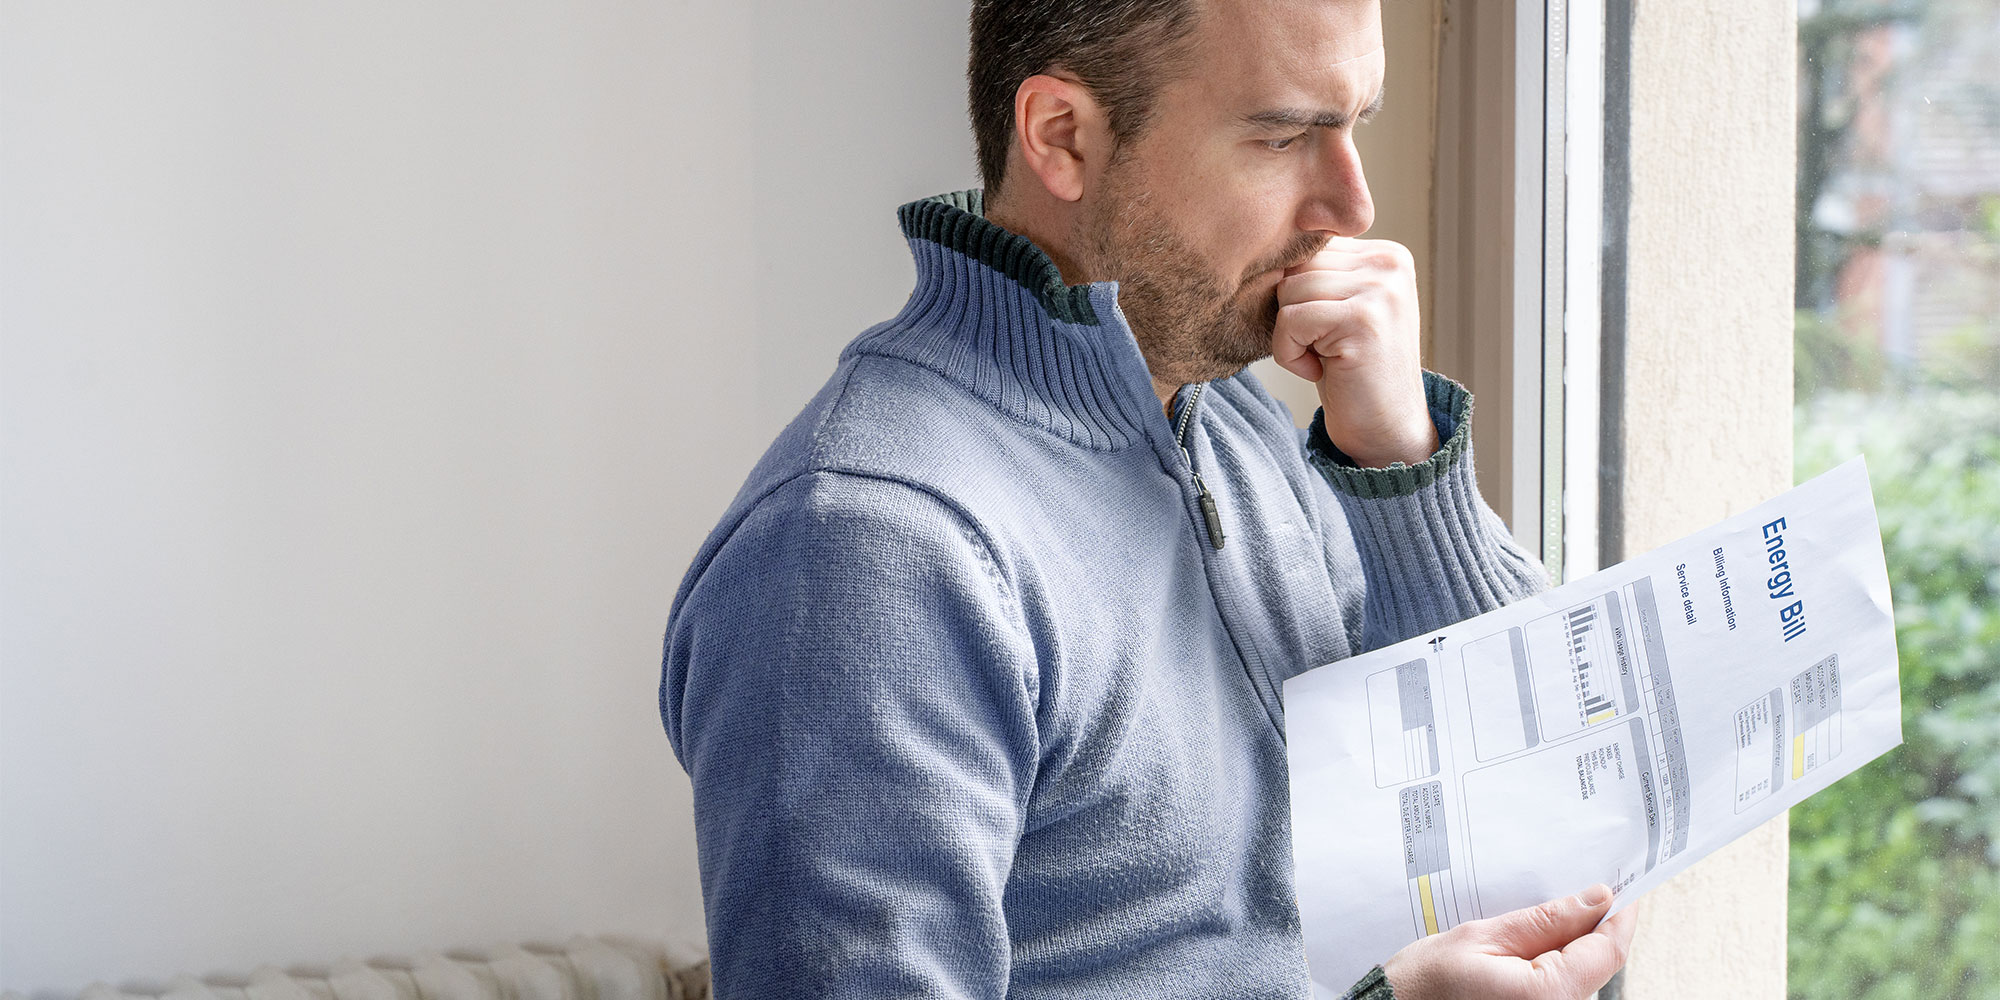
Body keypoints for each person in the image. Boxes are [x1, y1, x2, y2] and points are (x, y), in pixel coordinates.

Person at [658, 0, 1637, 996]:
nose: (1350, 207)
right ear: (1062, 137)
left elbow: (1545, 806)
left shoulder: (1234, 422)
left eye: (1355, 126)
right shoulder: (869, 550)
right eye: (1284, 134)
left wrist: (1397, 466)